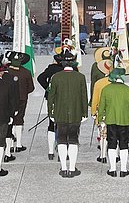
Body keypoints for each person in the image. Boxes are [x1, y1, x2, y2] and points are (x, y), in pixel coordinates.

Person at [47, 50, 88, 178]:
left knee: (62, 140)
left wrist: (50, 113)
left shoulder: (56, 77)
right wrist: (84, 113)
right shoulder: (80, 77)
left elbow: (51, 97)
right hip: (76, 114)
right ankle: (72, 167)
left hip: (60, 114)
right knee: (74, 140)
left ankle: (64, 168)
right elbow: (83, 97)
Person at [97, 67, 129, 177]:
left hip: (110, 120)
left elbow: (101, 107)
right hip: (125, 121)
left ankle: (112, 169)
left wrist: (100, 119)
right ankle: (123, 170)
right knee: (124, 145)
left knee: (112, 145)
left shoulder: (106, 89)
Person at [4, 51, 35, 154]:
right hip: (22, 99)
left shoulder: (6, 72)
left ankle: (11, 142)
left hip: (8, 100)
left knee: (10, 120)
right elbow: (31, 88)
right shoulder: (26, 72)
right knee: (19, 119)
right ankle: (18, 144)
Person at [37, 49, 65, 160]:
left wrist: (48, 89)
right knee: (63, 123)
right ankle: (61, 148)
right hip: (64, 98)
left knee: (51, 123)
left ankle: (50, 151)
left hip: (51, 99)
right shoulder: (66, 70)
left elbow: (40, 78)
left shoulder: (51, 68)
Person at [90, 58, 113, 163]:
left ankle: (103, 155)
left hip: (102, 111)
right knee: (114, 134)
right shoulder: (115, 82)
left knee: (103, 134)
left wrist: (93, 111)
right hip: (114, 111)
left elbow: (95, 99)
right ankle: (115, 155)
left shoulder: (99, 83)